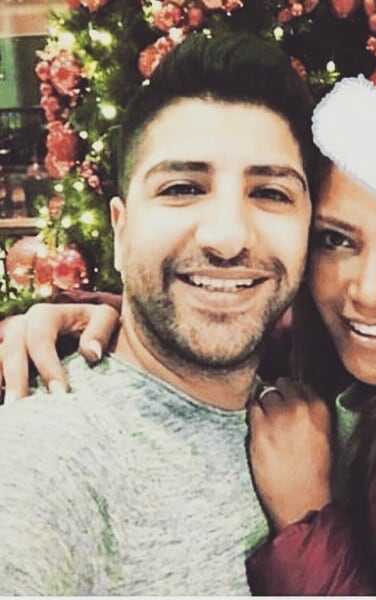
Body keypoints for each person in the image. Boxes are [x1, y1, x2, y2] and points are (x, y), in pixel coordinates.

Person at [3, 0, 376, 594]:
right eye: (337, 240)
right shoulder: (46, 465)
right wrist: (101, 317)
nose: (368, 293)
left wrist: (309, 519)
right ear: (120, 226)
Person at [0, 31, 331, 595]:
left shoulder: (324, 419)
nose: (227, 237)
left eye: (271, 193)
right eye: (182, 188)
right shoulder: (42, 461)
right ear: (120, 228)